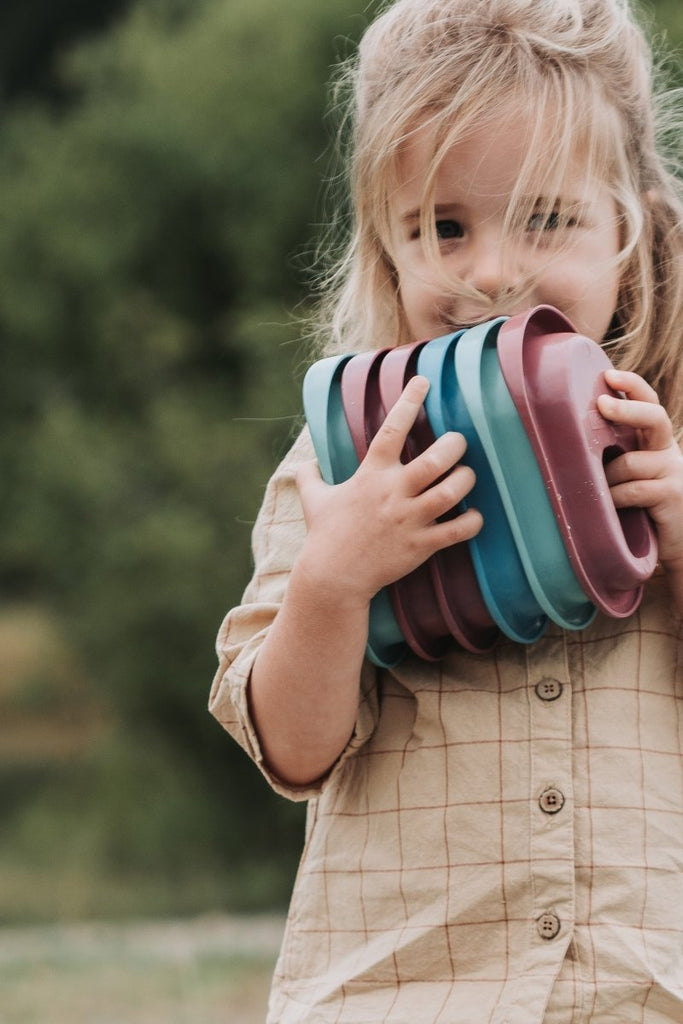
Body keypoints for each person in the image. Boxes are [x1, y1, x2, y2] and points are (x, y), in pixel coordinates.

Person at [209, 0, 683, 1019]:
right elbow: (289, 748)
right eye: (444, 227)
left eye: (544, 217)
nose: (490, 271)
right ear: (388, 250)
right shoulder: (344, 465)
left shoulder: (672, 445)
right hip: (406, 993)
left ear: (626, 228)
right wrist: (335, 580)